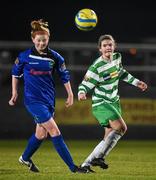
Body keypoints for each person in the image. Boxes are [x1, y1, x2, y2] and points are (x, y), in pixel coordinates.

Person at [9, 19, 88, 173]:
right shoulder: (24, 56)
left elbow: (64, 76)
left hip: (48, 100)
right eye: (38, 40)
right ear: (33, 40)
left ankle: (25, 158)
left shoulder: (56, 57)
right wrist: (14, 92)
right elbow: (15, 74)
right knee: (55, 131)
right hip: (33, 101)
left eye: (44, 40)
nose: (41, 43)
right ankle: (73, 167)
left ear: (48, 40)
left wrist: (70, 94)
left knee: (40, 134)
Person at [78, 34, 148, 173]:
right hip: (101, 103)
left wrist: (137, 82)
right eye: (104, 45)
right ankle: (100, 158)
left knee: (108, 135)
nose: (108, 47)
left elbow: (121, 73)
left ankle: (85, 165)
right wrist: (81, 92)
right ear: (100, 49)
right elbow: (85, 83)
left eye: (110, 45)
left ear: (114, 46)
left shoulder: (117, 58)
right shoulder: (96, 66)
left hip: (114, 101)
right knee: (121, 127)